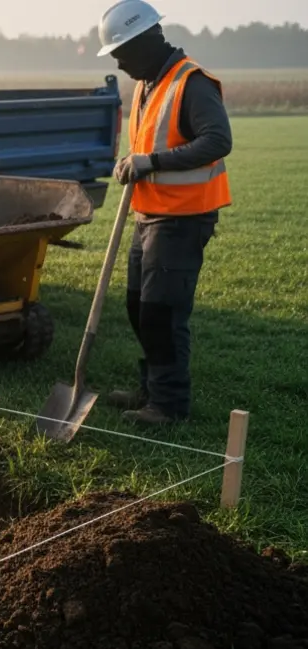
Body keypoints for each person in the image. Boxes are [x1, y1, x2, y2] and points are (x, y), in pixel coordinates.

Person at [96, 0, 233, 426]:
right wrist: (131, 161)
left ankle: (169, 405)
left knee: (162, 311)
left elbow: (218, 140)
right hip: (150, 214)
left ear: (144, 42)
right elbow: (149, 143)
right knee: (139, 306)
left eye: (121, 53)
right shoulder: (149, 82)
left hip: (182, 217)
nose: (119, 64)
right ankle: (151, 388)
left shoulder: (192, 82)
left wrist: (151, 162)